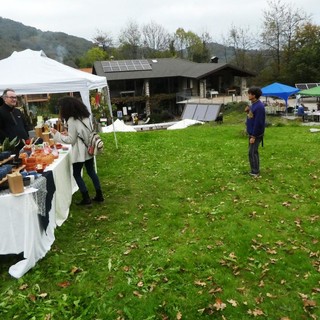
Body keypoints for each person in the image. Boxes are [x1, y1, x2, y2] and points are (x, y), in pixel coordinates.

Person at [50, 96, 104, 205]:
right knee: (91, 171)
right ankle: (99, 195)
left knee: (76, 174)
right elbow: (80, 133)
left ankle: (86, 198)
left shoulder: (72, 120)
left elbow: (71, 140)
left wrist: (56, 134)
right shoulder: (85, 116)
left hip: (80, 151)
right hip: (89, 147)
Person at [0, 88, 29, 156]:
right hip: (11, 149)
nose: (14, 99)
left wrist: (27, 137)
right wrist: (9, 143)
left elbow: (25, 126)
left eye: (15, 97)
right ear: (5, 99)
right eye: (12, 97)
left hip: (25, 146)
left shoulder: (18, 111)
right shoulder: (1, 112)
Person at [245, 86, 265, 177]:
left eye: (250, 93)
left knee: (252, 152)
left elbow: (258, 122)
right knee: (252, 152)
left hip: (256, 134)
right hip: (251, 132)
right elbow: (252, 117)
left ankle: (255, 172)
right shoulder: (253, 104)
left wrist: (254, 136)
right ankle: (254, 170)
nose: (248, 95)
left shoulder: (259, 106)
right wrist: (248, 112)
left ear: (254, 95)